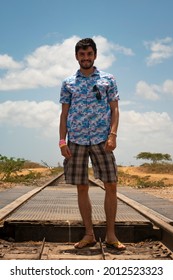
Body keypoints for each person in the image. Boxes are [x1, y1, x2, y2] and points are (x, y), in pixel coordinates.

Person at [59, 38, 126, 250]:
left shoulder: (108, 79)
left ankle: (111, 236)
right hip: (77, 139)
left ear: (94, 55)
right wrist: (62, 140)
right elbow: (64, 114)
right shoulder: (68, 82)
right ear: (76, 56)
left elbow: (115, 109)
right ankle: (88, 234)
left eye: (89, 54)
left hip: (102, 138)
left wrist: (113, 134)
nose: (85, 58)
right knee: (82, 187)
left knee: (111, 184)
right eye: (82, 55)